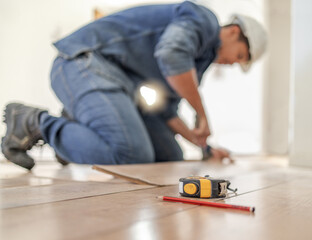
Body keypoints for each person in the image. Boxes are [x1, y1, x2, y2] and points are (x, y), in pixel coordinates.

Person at [1, 1, 267, 170]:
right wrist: (201, 113)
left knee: (169, 155)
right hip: (82, 63)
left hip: (116, 84)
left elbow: (165, 110)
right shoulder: (202, 20)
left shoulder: (199, 63)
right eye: (240, 56)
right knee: (130, 153)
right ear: (234, 32)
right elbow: (171, 54)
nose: (233, 64)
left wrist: (205, 148)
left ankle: (76, 132)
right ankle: (34, 122)